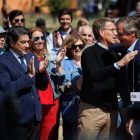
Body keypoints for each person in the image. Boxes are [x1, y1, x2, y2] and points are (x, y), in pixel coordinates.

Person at [77, 17, 138, 140]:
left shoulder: (114, 53)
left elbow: (122, 83)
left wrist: (130, 107)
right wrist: (118, 64)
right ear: (101, 32)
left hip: (112, 113)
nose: (116, 33)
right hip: (92, 111)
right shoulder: (89, 52)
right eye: (113, 30)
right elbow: (95, 75)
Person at [0, 26, 49, 140]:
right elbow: (7, 89)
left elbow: (42, 86)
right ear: (12, 42)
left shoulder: (32, 57)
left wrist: (41, 73)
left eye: (28, 41)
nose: (27, 45)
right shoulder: (2, 61)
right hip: (16, 118)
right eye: (23, 42)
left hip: (35, 117)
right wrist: (29, 76)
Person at [28, 27, 66, 140]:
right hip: (34, 103)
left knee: (47, 137)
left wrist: (58, 63)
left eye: (42, 37)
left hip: (52, 102)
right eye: (36, 38)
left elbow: (61, 81)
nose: (40, 40)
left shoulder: (52, 57)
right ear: (29, 40)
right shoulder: (26, 59)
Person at [114, 16, 140, 140]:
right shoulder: (127, 46)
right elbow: (113, 46)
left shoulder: (138, 54)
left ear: (132, 33)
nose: (117, 37)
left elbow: (137, 89)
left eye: (120, 34)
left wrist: (133, 116)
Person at [59, 35, 86, 140]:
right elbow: (60, 85)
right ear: (70, 49)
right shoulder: (64, 63)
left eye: (80, 46)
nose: (78, 48)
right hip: (69, 111)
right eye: (74, 46)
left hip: (86, 110)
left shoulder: (89, 62)